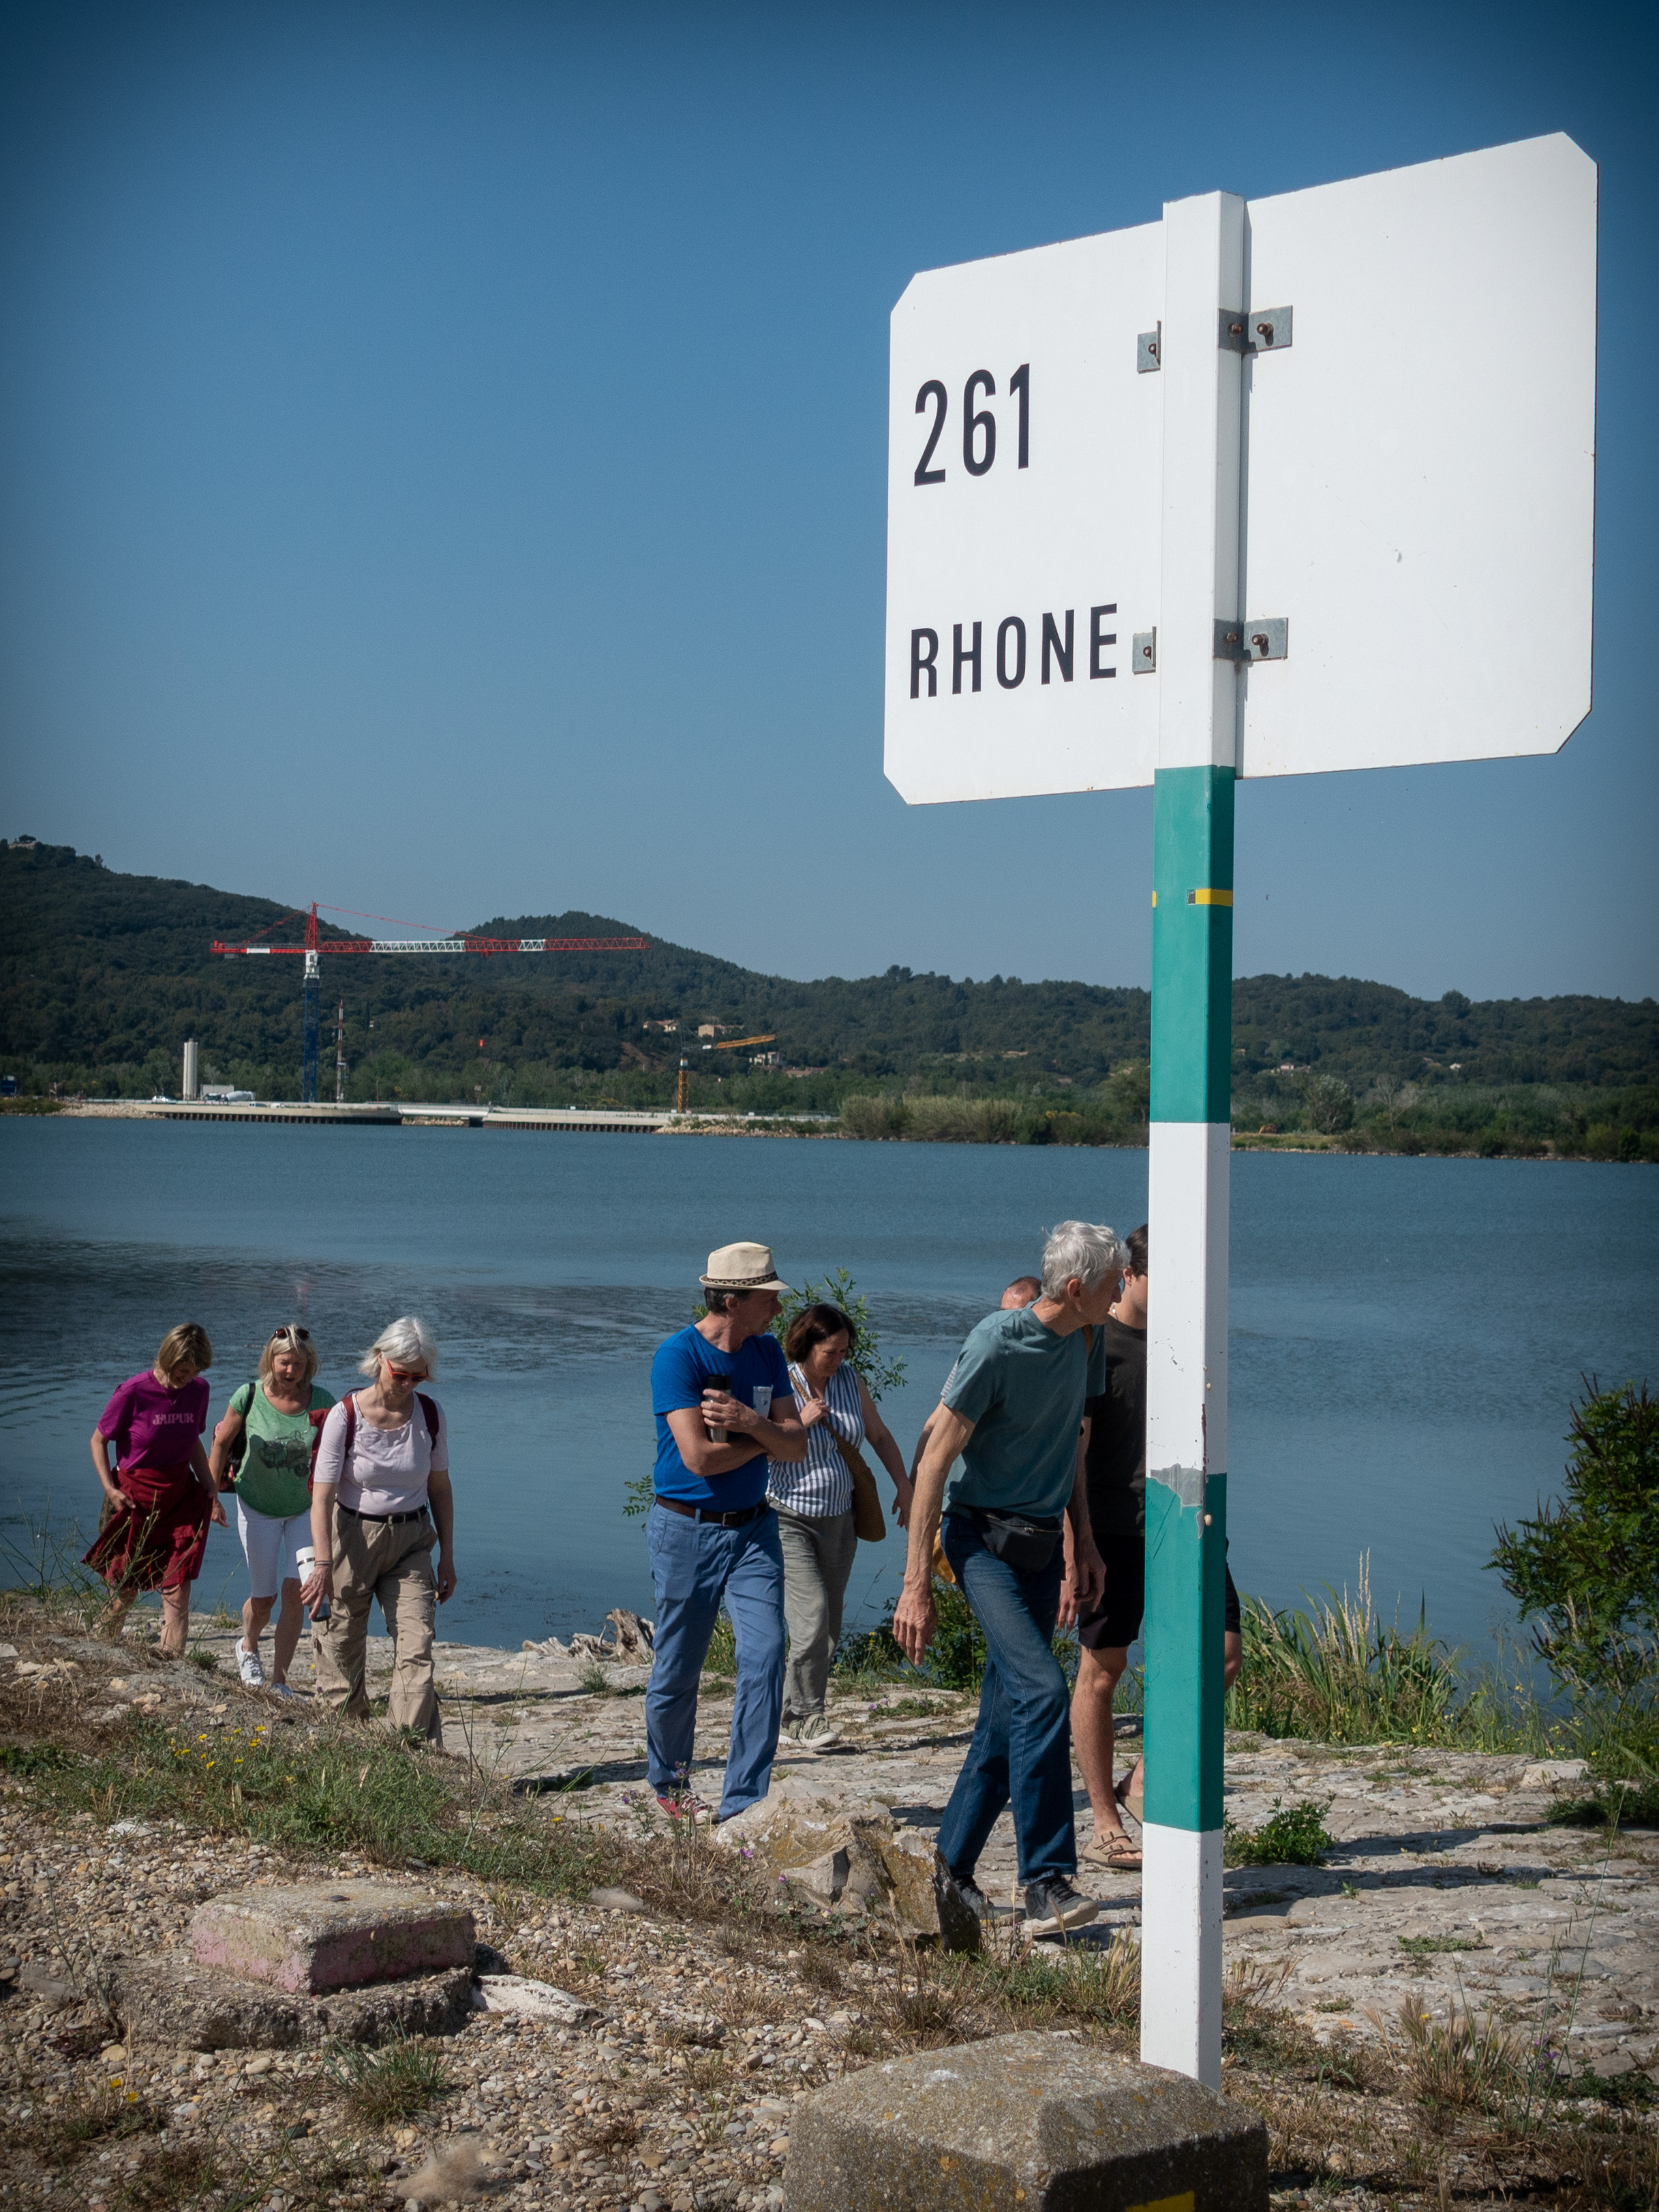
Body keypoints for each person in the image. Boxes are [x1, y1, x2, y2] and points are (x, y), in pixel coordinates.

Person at [894, 1223, 1120, 1935]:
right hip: (981, 1540)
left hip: (1042, 1547)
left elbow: (1070, 1447)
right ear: (1077, 1288)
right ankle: (1045, 1882)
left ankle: (946, 1876)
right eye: (1112, 1284)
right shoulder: (995, 1342)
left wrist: (1082, 1542)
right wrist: (915, 1585)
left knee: (1002, 1722)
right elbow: (935, 1460)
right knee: (1042, 1690)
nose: (1119, 1295)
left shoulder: (1088, 1339)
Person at [1070, 1224, 1244, 1872]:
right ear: (1129, 1275)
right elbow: (1074, 1455)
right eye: (1162, 1279)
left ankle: (1141, 1776)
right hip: (1113, 1528)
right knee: (1103, 1669)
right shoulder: (1097, 1346)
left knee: (1223, 1652)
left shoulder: (1187, 1340)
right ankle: (1104, 1822)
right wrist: (1075, 1545)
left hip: (1184, 1521)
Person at [646, 1243, 806, 1822]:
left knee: (766, 1652)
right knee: (678, 1666)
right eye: (769, 1298)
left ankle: (743, 1801)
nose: (778, 1309)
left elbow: (796, 1443)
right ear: (733, 1301)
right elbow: (698, 1459)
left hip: (753, 1530)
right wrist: (765, 1440)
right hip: (686, 1529)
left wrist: (750, 1423)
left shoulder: (767, 1353)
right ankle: (671, 1783)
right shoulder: (678, 1356)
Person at [301, 1318, 456, 1746]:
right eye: (400, 1374)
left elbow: (440, 1488)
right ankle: (346, 1746)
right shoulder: (345, 1416)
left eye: (418, 1377)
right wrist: (322, 1563)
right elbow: (322, 1497)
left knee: (417, 1645)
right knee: (341, 1646)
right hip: (351, 1537)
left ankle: (409, 1748)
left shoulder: (431, 1415)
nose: (407, 1385)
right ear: (379, 1360)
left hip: (412, 1540)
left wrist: (448, 1556)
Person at [767, 1302, 912, 1753]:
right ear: (806, 1345)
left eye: (844, 1351)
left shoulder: (850, 1381)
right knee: (811, 1615)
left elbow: (879, 1435)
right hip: (789, 1516)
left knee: (828, 1622)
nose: (838, 1359)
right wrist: (799, 1425)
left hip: (840, 1519)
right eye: (830, 1352)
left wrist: (905, 1486)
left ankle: (789, 1715)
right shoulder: (781, 1383)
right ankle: (808, 1716)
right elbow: (759, 1446)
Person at [209, 1325, 335, 1695]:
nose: (291, 1371)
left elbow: (339, 1455)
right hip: (257, 1508)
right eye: (284, 1363)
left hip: (305, 1509)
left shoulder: (323, 1401)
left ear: (309, 1364)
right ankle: (248, 1647)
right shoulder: (248, 1396)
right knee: (264, 1599)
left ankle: (280, 1680)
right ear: (271, 1360)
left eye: (299, 1364)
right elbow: (220, 1445)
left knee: (299, 1593)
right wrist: (211, 1497)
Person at [86, 1323, 226, 1656]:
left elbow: (193, 1443)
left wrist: (211, 1492)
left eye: (195, 1371)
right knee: (124, 1589)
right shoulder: (133, 1392)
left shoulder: (199, 1391)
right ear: (167, 1358)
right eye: (182, 1370)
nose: (188, 1377)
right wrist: (110, 1489)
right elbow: (98, 1441)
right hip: (134, 1499)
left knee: (178, 1584)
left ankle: (172, 1662)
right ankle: (98, 1652)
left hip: (178, 1496)